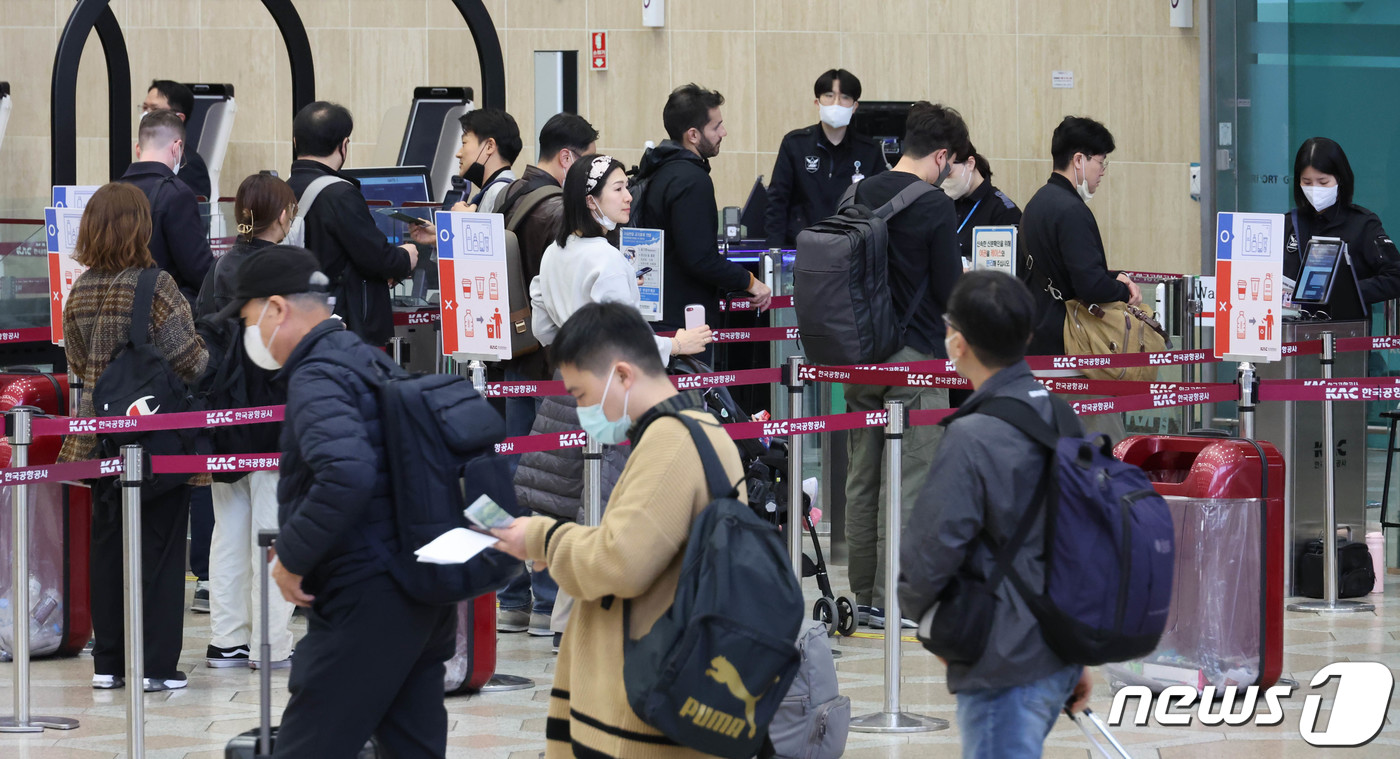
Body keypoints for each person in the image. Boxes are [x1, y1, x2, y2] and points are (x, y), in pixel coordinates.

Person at [220, 246, 456, 758]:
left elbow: (347, 472)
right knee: (411, 746)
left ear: (277, 309)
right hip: (419, 592)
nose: (248, 335)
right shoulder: (365, 357)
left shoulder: (318, 375)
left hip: (368, 597)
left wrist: (293, 558)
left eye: (248, 319)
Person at [491, 301, 747, 759]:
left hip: (637, 723)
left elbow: (618, 562)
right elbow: (646, 546)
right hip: (649, 700)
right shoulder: (692, 430)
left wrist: (541, 536)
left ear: (623, 375)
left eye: (583, 394)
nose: (583, 410)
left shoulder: (671, 444)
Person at [516, 156, 712, 645]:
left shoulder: (556, 253)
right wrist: (678, 344)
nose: (628, 196)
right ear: (591, 200)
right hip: (611, 397)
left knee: (580, 507)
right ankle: (589, 623)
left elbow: (542, 328)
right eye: (619, 189)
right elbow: (626, 340)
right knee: (606, 508)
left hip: (566, 390)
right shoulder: (606, 259)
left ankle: (568, 622)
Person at [899, 270, 1093, 759]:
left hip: (1002, 660)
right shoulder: (1060, 411)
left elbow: (928, 553)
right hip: (1059, 649)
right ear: (1027, 336)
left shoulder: (972, 435)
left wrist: (925, 618)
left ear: (957, 342)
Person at [58, 182, 209, 692]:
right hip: (156, 441)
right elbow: (190, 362)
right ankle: (156, 667)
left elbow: (79, 365)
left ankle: (109, 664)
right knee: (161, 551)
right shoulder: (157, 285)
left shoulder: (79, 291)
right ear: (140, 227)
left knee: (108, 550)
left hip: (98, 440)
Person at [842, 101, 968, 629]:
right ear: (941, 155)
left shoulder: (855, 191)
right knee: (912, 478)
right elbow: (948, 291)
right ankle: (902, 599)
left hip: (856, 353)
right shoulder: (935, 206)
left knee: (863, 476)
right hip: (914, 357)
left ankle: (865, 597)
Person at [490, 112, 597, 637]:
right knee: (553, 483)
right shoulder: (556, 211)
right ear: (568, 158)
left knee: (519, 477)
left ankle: (511, 593)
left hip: (512, 357)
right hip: (550, 366)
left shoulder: (508, 195)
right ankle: (546, 597)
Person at [195, 173, 299, 670]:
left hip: (225, 416)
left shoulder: (220, 267)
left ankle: (226, 639)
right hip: (274, 416)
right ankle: (272, 642)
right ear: (282, 215)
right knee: (272, 528)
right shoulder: (287, 267)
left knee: (227, 528)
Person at [1017, 116, 1140, 442]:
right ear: (1078, 160)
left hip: (1039, 345)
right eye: (1100, 162)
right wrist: (1123, 290)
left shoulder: (1036, 204)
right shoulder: (1072, 210)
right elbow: (1089, 285)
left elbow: (1059, 269)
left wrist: (1113, 276)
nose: (1102, 172)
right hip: (1074, 354)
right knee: (1099, 453)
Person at [287, 101, 434, 346]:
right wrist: (406, 256)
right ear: (343, 145)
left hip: (300, 320)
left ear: (295, 142)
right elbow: (377, 256)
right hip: (344, 328)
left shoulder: (283, 189)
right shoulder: (340, 194)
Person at [634, 84, 773, 342]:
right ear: (693, 135)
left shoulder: (660, 169)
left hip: (658, 313)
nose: (724, 132)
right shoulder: (691, 179)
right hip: (684, 320)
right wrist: (751, 282)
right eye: (716, 126)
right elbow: (700, 258)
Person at [765, 68, 887, 247]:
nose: (836, 103)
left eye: (845, 97)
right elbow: (777, 203)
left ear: (855, 107)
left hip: (852, 250)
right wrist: (773, 253)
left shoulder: (870, 151)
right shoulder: (795, 144)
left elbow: (880, 206)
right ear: (817, 103)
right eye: (829, 96)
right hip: (803, 248)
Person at [1283, 136, 1400, 319]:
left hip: (1347, 334)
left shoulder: (1362, 224)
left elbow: (1395, 277)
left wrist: (1347, 291)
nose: (1314, 189)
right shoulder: (1289, 223)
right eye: (1307, 182)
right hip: (1295, 335)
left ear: (1340, 179)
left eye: (1323, 182)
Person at [118, 109, 215, 305]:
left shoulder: (110, 193)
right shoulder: (176, 194)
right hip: (159, 316)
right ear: (177, 148)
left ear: (139, 148)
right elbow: (198, 269)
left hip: (114, 313)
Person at [945, 148, 1023, 263]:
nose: (944, 181)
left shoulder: (1004, 211)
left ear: (970, 164)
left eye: (949, 173)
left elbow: (1007, 269)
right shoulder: (947, 202)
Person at [140, 79, 211, 200]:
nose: (147, 114)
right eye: (145, 108)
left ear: (178, 118)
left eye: (154, 109)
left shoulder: (189, 163)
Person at [450, 107, 522, 214]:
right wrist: (436, 231)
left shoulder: (498, 192)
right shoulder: (501, 190)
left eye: (464, 143)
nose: (458, 154)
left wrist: (465, 220)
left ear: (489, 146)